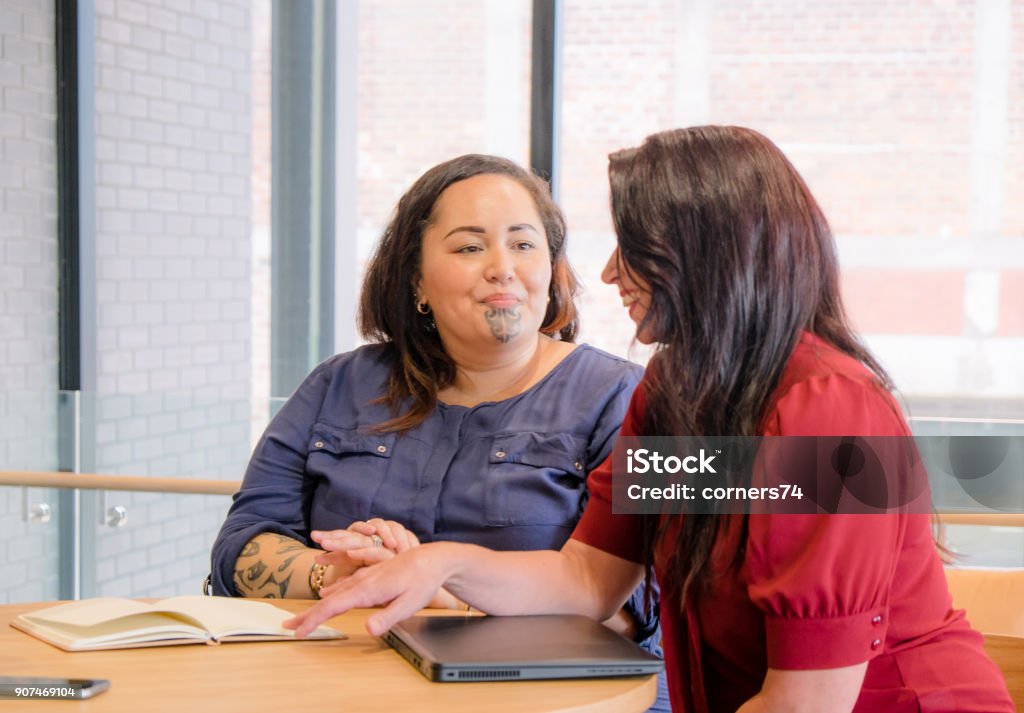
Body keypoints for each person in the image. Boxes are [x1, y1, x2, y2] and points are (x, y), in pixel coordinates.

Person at [285, 127, 1014, 713]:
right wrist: (443, 560)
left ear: (708, 257)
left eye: (631, 248)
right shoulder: (678, 389)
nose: (605, 273)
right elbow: (588, 577)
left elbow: (806, 702)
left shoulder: (831, 415)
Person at [210, 154, 669, 708]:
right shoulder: (339, 383)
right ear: (415, 279)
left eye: (523, 245)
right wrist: (338, 571)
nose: (502, 267)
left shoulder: (628, 396)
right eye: (469, 247)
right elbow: (240, 547)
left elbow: (645, 603)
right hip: (335, 687)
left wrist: (447, 586)